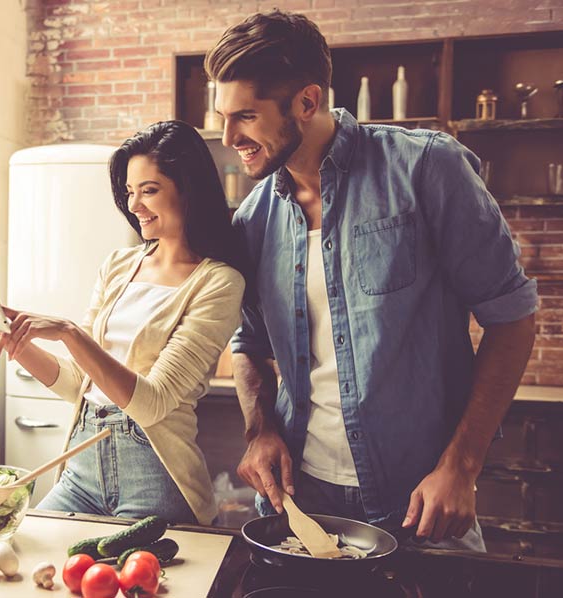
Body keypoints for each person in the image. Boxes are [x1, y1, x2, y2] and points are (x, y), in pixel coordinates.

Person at [205, 11, 537, 549]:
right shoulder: (252, 219)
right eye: (222, 116)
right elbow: (250, 341)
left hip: (422, 501)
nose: (228, 137)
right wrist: (260, 429)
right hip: (304, 500)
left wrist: (461, 467)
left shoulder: (426, 168)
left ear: (307, 102)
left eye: (245, 116)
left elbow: (513, 319)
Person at [0, 120, 246, 525]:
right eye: (129, 191)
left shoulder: (218, 282)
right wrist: (12, 340)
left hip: (154, 472)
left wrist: (69, 333)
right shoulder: (118, 265)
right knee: (32, 563)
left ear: (188, 189)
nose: (134, 205)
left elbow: (152, 402)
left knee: (138, 587)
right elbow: (80, 383)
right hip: (82, 463)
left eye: (149, 190)